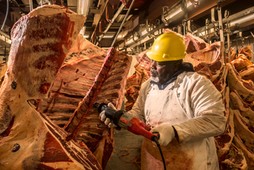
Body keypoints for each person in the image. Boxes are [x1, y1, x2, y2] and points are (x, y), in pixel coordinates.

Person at [100, 30, 226, 170]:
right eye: (153, 60)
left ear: (176, 64)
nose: (152, 66)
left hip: (193, 163)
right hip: (155, 161)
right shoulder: (148, 86)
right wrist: (120, 117)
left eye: (159, 63)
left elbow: (215, 121)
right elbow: (138, 113)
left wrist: (175, 131)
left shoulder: (196, 84)